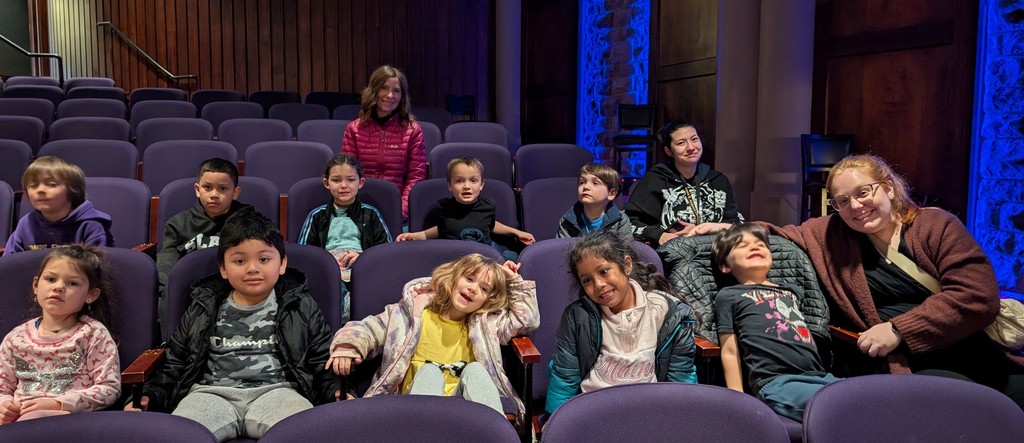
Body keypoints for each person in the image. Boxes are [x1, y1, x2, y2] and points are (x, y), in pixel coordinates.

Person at [690, 153, 1024, 408]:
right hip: (906, 364)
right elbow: (781, 232)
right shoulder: (834, 234)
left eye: (863, 192)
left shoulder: (935, 226)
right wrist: (726, 229)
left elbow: (978, 295)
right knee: (951, 410)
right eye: (842, 201)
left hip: (966, 347)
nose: (856, 206)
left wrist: (898, 330)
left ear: (889, 187)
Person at [126, 209, 338, 441]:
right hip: (210, 394)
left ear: (282, 264)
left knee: (306, 435)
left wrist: (337, 390)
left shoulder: (299, 304)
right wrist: (149, 395)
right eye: (239, 260)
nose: (252, 268)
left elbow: (321, 358)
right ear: (224, 268)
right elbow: (175, 362)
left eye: (264, 259)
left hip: (279, 392)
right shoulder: (204, 305)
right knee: (178, 437)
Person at [326, 253, 539, 419]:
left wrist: (515, 282)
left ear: (487, 300)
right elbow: (369, 329)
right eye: (469, 279)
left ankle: (494, 433)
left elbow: (526, 321)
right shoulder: (411, 313)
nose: (473, 289)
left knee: (476, 370)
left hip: (466, 405)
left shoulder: (485, 324)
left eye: (483, 288)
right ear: (454, 278)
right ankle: (423, 433)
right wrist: (348, 346)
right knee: (430, 372)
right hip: (413, 404)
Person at [545, 230, 698, 415]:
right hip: (594, 412)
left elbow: (680, 378)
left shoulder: (668, 312)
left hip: (650, 411)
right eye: (587, 280)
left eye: (603, 272)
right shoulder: (578, 317)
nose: (598, 284)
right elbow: (565, 377)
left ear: (626, 265)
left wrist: (683, 419)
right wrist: (555, 420)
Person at [710, 223, 838, 422]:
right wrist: (737, 398)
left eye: (760, 244)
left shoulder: (791, 291)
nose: (755, 247)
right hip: (777, 383)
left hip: (820, 377)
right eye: (742, 245)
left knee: (866, 399)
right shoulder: (729, 295)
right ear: (725, 266)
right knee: (840, 408)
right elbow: (729, 350)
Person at [0, 245, 120, 423]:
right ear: (35, 285)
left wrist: (58, 404)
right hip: (18, 418)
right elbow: (3, 387)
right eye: (50, 279)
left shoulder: (93, 333)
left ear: (91, 295)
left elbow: (109, 388)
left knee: (34, 420)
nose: (58, 287)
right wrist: (4, 405)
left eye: (73, 283)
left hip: (70, 419)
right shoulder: (15, 337)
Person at [297, 154, 392, 320]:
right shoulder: (317, 216)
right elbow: (305, 254)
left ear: (360, 182)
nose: (343, 186)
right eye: (336, 180)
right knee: (332, 290)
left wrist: (363, 258)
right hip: (330, 271)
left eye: (350, 179)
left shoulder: (371, 214)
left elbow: (387, 252)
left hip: (362, 268)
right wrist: (328, 264)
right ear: (326, 183)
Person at [624, 119, 743, 246]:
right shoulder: (654, 181)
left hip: (716, 249)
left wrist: (706, 228)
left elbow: (736, 223)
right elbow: (629, 223)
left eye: (694, 139)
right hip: (676, 252)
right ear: (669, 151)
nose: (691, 147)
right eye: (681, 143)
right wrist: (660, 235)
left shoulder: (718, 180)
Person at [396, 157, 535, 261]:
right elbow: (440, 230)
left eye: (473, 180)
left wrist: (516, 232)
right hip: (453, 259)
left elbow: (490, 225)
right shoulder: (444, 207)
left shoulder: (487, 206)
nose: (466, 186)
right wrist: (414, 236)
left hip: (483, 258)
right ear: (449, 185)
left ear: (481, 184)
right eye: (459, 181)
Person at [156, 158, 251, 297]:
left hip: (236, 294)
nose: (214, 195)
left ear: (235, 192)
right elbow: (166, 270)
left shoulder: (250, 222)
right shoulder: (178, 224)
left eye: (222, 189)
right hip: (189, 294)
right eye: (207, 187)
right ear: (197, 190)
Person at [342, 65, 426, 221]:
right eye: (384, 88)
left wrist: (400, 212)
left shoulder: (413, 130)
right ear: (373, 91)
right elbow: (348, 174)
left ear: (402, 96)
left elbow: (416, 178)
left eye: (396, 90)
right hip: (360, 209)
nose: (390, 95)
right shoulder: (354, 129)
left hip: (397, 210)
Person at [4, 157, 113, 255]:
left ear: (73, 191)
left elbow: (98, 269)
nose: (40, 190)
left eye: (52, 184)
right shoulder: (26, 223)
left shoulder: (90, 226)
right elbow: (10, 264)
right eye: (33, 185)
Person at [556, 163, 633, 239]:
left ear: (611, 193)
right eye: (582, 182)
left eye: (595, 183)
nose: (585, 187)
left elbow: (626, 249)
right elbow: (562, 249)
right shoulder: (568, 220)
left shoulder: (621, 220)